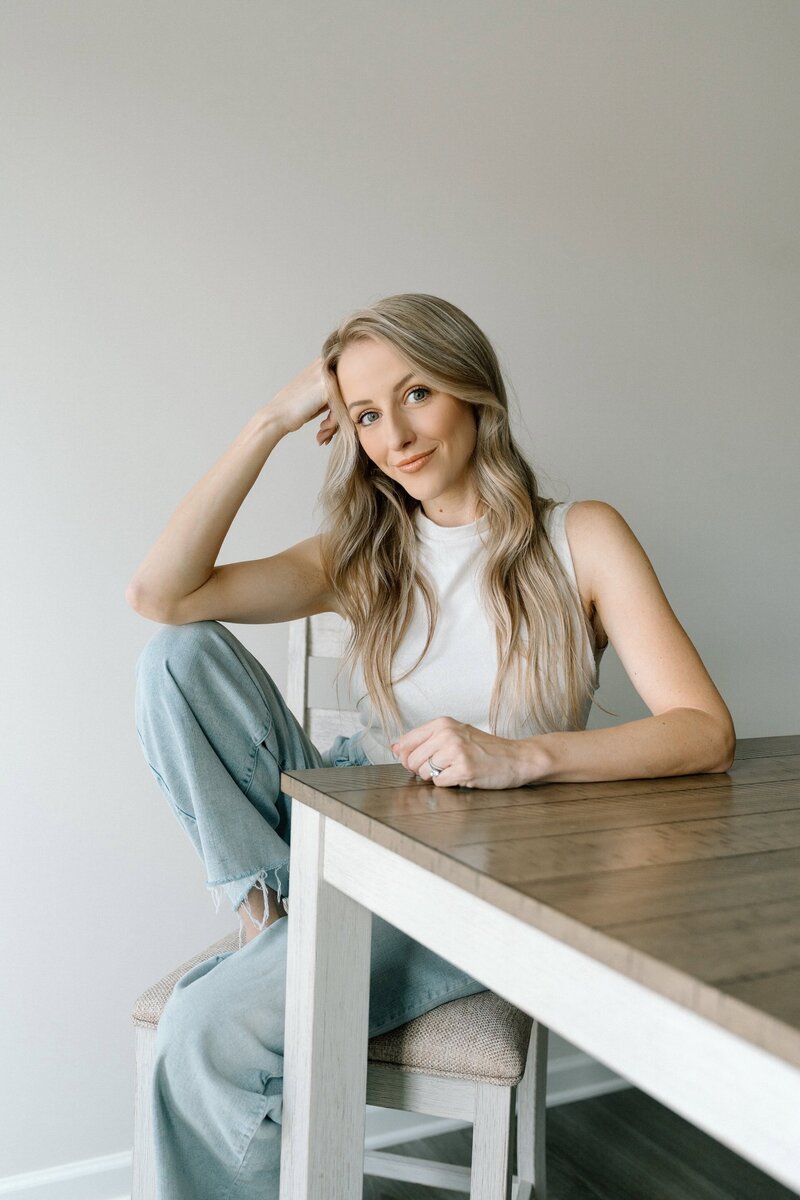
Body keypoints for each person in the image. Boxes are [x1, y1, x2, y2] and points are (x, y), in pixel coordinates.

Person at [128, 292, 735, 1198]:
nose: (395, 435)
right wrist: (270, 422)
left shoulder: (584, 537)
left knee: (203, 1027)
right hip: (339, 837)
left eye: (416, 394)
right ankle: (273, 916)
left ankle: (281, 944)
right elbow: (164, 597)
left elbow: (704, 730)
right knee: (177, 654)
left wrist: (521, 756)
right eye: (366, 414)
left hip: (470, 883)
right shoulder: (364, 553)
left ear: (472, 391)